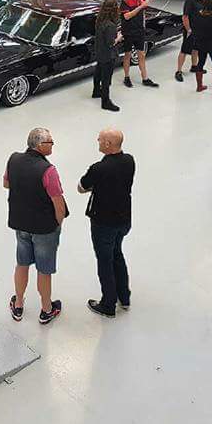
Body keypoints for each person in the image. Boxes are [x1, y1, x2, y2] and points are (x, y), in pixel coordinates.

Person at [4, 128, 66, 325]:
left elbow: (6, 184)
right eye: (50, 142)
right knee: (44, 270)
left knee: (22, 264)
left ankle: (18, 304)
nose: (52, 145)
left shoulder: (13, 159)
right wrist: (57, 224)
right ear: (40, 145)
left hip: (21, 224)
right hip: (44, 229)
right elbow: (59, 205)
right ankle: (47, 309)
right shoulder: (48, 171)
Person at [77, 128, 134, 318]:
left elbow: (81, 187)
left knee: (104, 261)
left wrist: (96, 185)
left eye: (100, 139)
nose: (98, 140)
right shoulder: (129, 161)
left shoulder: (98, 168)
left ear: (108, 144)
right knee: (117, 253)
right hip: (123, 220)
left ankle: (108, 304)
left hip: (104, 223)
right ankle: (124, 297)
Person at [120, 0, 158, 88]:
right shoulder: (125, 0)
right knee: (127, 55)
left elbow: (144, 8)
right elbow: (127, 16)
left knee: (141, 54)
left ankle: (145, 78)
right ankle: (126, 77)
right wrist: (141, 7)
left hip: (139, 31)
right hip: (128, 31)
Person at [92, 0, 121, 112]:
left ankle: (96, 91)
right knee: (106, 78)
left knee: (98, 72)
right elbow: (110, 43)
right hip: (108, 55)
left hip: (100, 51)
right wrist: (118, 37)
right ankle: (105, 101)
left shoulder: (99, 21)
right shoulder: (110, 25)